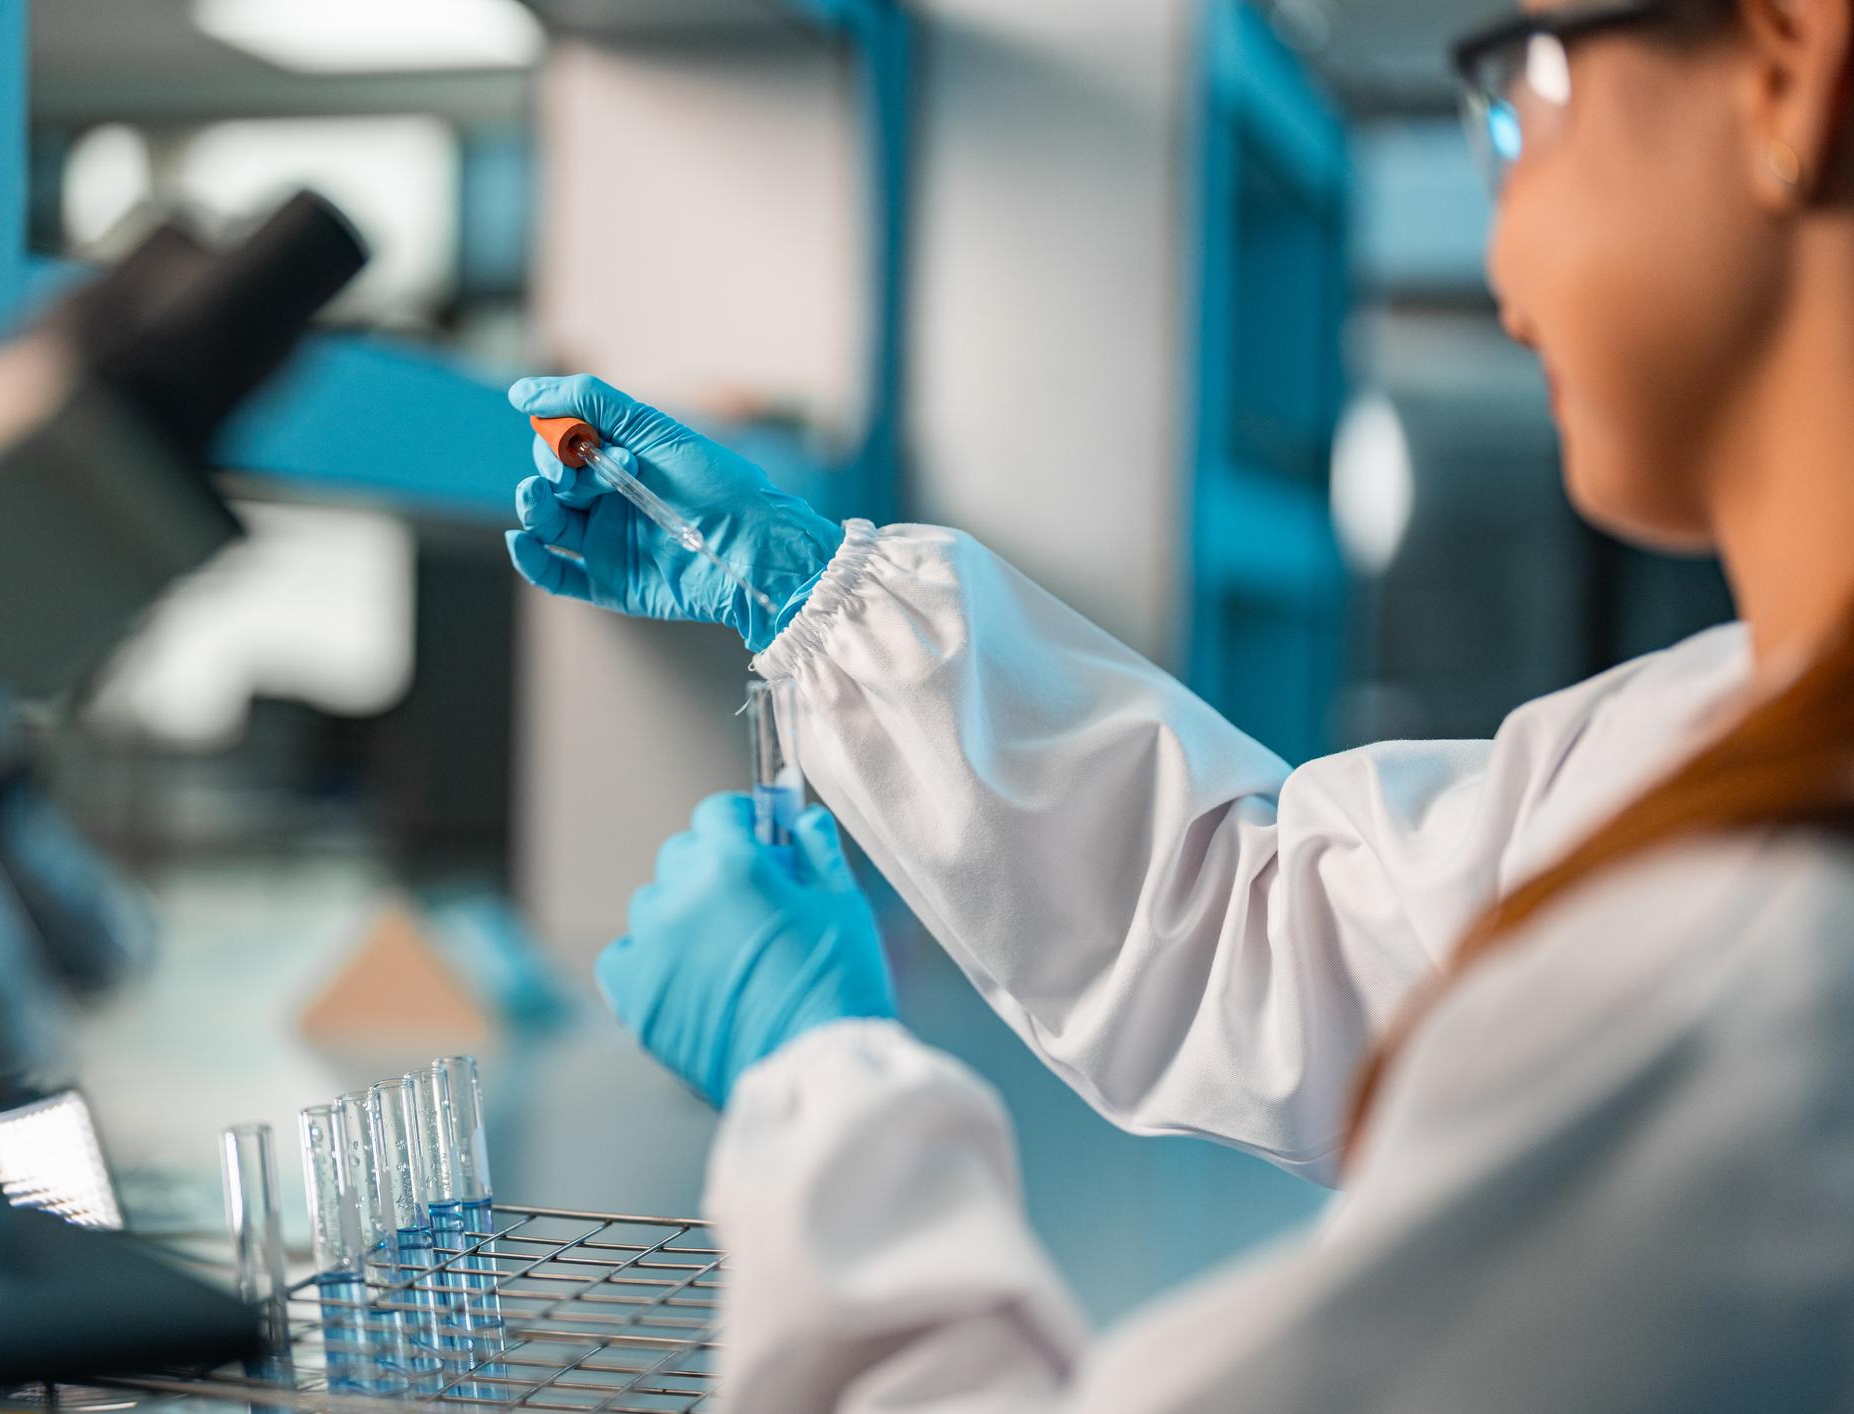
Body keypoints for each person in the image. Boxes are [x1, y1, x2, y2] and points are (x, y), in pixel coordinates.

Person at [504, 0, 1854, 1407]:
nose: (1503, 261)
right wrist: (808, 600)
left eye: (1524, 93)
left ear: (1784, 63)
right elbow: (1291, 934)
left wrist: (819, 1093)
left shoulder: (1761, 972)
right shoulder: (1729, 732)